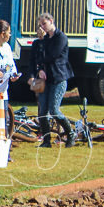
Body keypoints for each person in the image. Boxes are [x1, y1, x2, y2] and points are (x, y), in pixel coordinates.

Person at [34, 12, 75, 148]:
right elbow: (39, 56)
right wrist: (40, 69)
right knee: (42, 111)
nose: (43, 27)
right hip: (46, 79)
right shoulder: (44, 39)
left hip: (58, 78)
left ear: (51, 21)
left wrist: (44, 40)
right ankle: (46, 140)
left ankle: (70, 134)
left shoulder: (60, 37)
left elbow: (52, 55)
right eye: (40, 25)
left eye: (44, 24)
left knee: (54, 110)